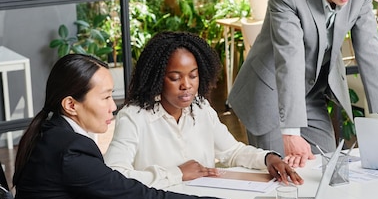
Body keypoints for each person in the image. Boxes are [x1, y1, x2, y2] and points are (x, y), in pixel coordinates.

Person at [13, 53, 278, 199]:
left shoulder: (53, 135)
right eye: (105, 97)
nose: (112, 106)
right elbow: (141, 196)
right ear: (71, 105)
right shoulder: (70, 151)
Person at [227, 0, 378, 168]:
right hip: (271, 91)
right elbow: (290, 57)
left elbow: (369, 46)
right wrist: (291, 132)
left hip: (311, 92)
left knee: (328, 168)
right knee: (281, 178)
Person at [104, 31, 303, 189]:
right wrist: (177, 173)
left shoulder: (200, 108)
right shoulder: (133, 117)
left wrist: (269, 158)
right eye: (175, 78)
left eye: (193, 76)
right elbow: (113, 176)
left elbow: (232, 152)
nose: (186, 85)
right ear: (157, 79)